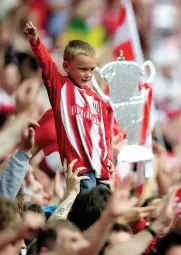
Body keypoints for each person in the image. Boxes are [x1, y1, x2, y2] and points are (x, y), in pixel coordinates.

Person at [23, 21, 114, 192]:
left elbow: (104, 134)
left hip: (101, 171)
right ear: (66, 67)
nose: (88, 74)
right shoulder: (60, 88)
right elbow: (46, 64)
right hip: (80, 172)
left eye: (91, 70)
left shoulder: (97, 100)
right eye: (83, 69)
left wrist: (109, 158)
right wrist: (36, 41)